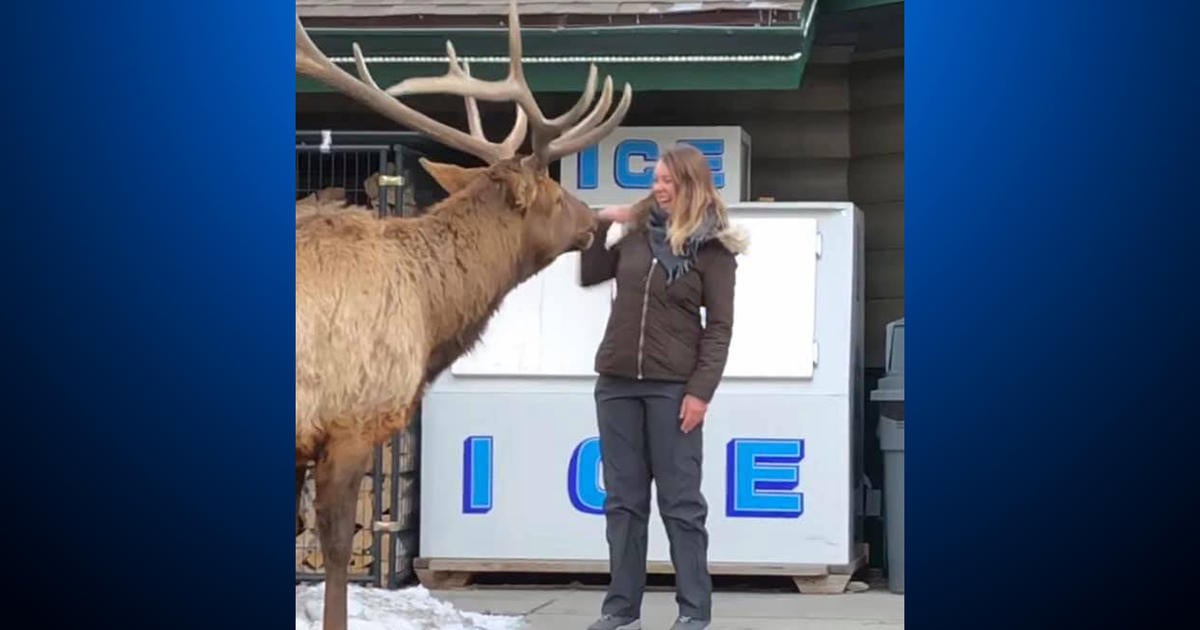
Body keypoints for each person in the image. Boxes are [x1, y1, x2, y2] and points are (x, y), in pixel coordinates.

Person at [578, 144, 747, 630]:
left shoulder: (715, 251)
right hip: (616, 384)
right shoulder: (635, 236)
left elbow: (719, 328)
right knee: (623, 502)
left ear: (691, 186)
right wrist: (598, 225)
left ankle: (694, 610)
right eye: (655, 179)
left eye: (668, 181)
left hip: (673, 389)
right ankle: (620, 608)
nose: (658, 187)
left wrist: (701, 392)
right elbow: (591, 274)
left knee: (681, 504)